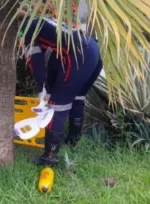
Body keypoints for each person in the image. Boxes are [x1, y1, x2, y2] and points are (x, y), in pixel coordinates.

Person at [21, 17, 103, 165]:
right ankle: (73, 140)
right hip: (93, 50)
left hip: (80, 54)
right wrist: (48, 89)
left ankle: (50, 157)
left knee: (57, 106)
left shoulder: (28, 30)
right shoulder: (44, 23)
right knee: (77, 97)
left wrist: (42, 92)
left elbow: (37, 63)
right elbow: (54, 62)